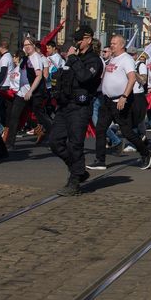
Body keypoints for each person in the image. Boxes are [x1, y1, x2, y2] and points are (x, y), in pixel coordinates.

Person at [87, 34, 151, 171]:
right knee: (100, 129)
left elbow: (132, 79)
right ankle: (100, 160)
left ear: (122, 45)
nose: (111, 45)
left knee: (127, 132)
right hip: (107, 101)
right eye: (111, 43)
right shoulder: (112, 59)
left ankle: (146, 153)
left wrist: (124, 96)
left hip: (120, 101)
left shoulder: (127, 59)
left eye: (114, 43)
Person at [50, 26, 104, 196]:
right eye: (75, 40)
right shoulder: (73, 58)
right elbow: (64, 78)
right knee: (55, 142)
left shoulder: (94, 60)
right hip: (64, 105)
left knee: (75, 144)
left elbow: (84, 77)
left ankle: (74, 182)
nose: (76, 43)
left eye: (79, 40)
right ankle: (78, 170)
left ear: (88, 40)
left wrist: (73, 59)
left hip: (80, 107)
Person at [5, 37, 52, 150]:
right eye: (25, 45)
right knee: (14, 116)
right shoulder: (26, 58)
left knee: (40, 116)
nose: (27, 47)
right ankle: (9, 144)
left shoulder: (35, 58)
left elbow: (39, 76)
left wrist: (30, 91)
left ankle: (55, 135)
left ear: (34, 45)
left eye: (29, 44)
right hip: (22, 93)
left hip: (34, 93)